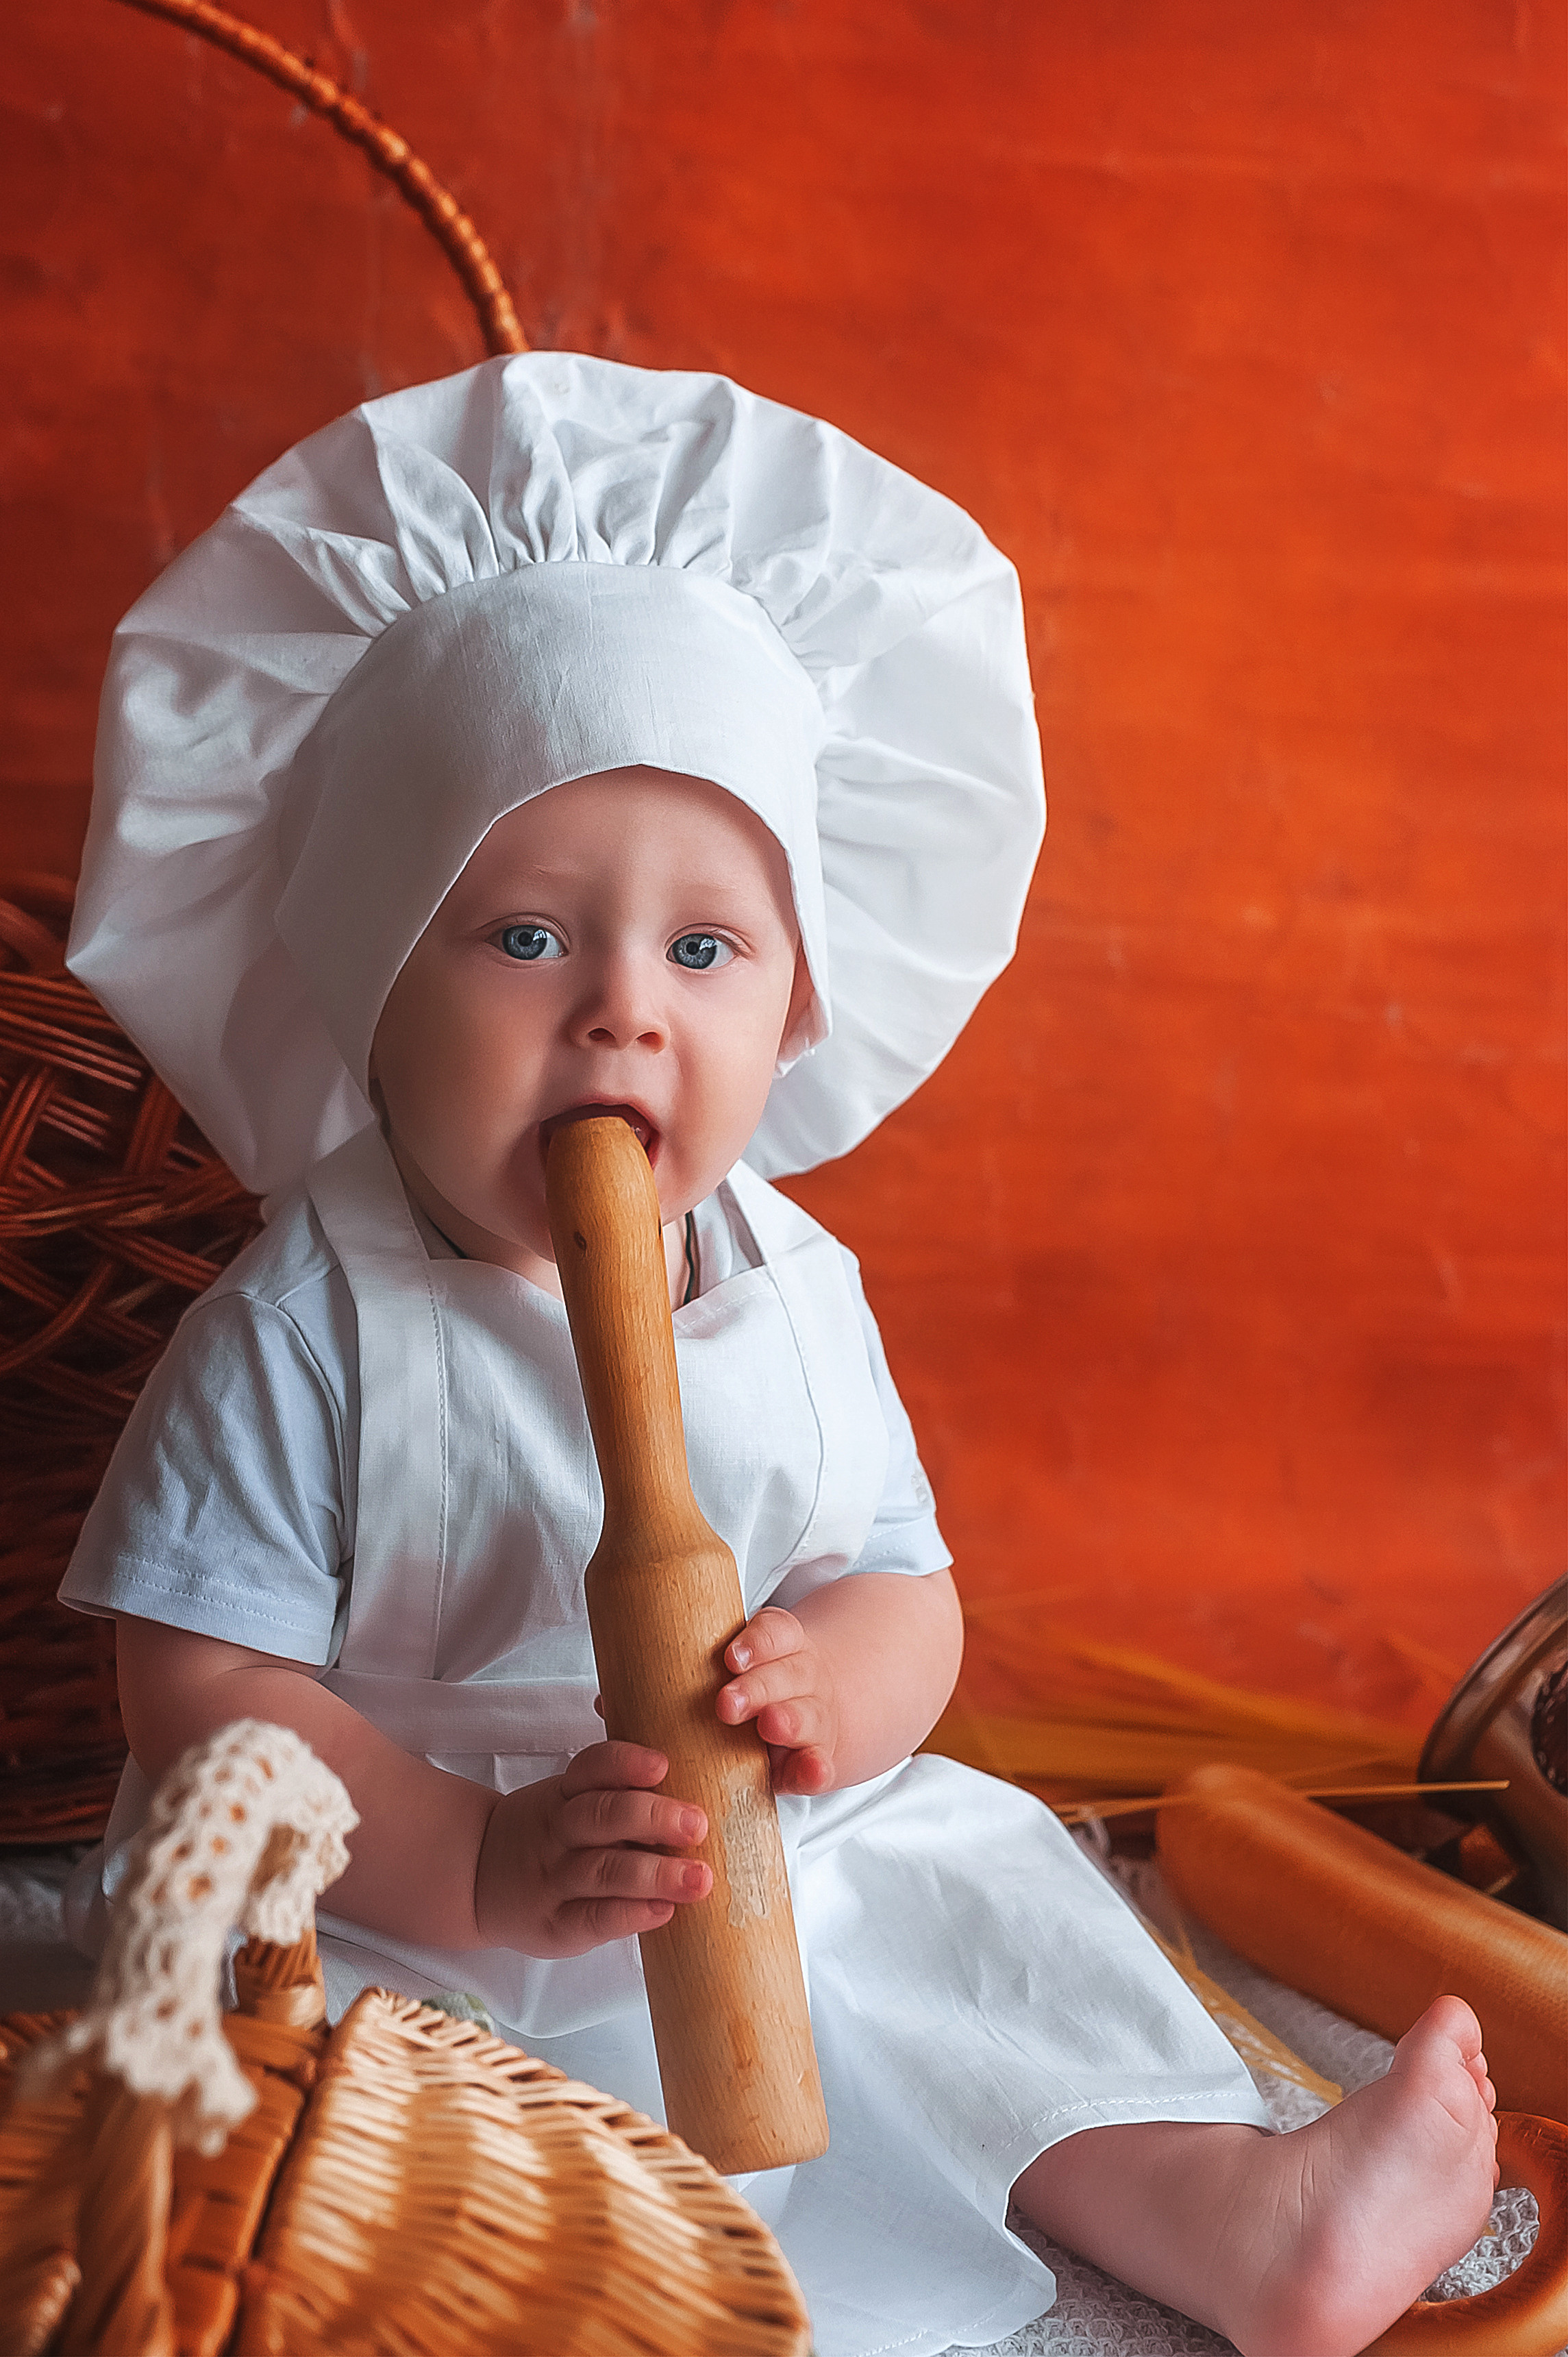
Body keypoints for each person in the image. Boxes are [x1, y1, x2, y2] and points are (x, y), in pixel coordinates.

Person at [60, 354, 1497, 2357]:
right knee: (373, 2149)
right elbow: (195, 1685)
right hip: (410, 1896)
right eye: (528, 938)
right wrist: (475, 1852)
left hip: (756, 1839)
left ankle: (1229, 2213)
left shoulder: (792, 1282)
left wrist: (845, 1691)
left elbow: (898, 1579)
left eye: (704, 951)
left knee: (956, 1931)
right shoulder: (314, 1318)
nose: (623, 1016)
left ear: (796, 1009)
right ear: (368, 989)